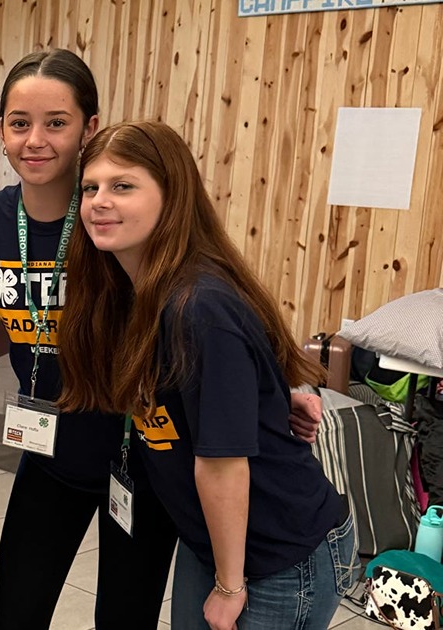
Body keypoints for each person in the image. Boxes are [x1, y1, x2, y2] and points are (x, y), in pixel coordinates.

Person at [59, 120, 357, 629]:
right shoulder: (131, 287)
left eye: (122, 186)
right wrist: (268, 399)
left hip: (274, 556)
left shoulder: (199, 305)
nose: (98, 201)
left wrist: (229, 584)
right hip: (215, 542)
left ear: (171, 197)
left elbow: (222, 465)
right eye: (91, 187)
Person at [0, 49, 178, 629]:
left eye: (56, 123)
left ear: (88, 127)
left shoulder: (116, 218)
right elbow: (1, 322)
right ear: (2, 129)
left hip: (136, 459)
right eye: (19, 123)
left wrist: (276, 387)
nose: (35, 140)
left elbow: (194, 313)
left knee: (124, 619)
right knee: (14, 612)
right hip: (50, 453)